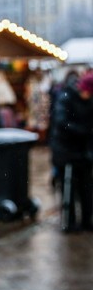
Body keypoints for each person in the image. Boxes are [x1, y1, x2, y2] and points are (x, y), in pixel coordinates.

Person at [50, 71, 93, 233]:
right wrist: (83, 131)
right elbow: (62, 124)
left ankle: (87, 220)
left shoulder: (88, 101)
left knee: (86, 188)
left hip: (83, 152)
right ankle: (70, 222)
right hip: (66, 152)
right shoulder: (66, 97)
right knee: (69, 188)